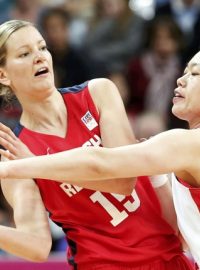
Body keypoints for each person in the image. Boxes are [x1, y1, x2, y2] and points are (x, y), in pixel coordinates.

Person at [0, 19, 194, 270]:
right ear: (3, 74)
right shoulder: (16, 155)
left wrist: (35, 165)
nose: (39, 57)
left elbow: (123, 181)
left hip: (165, 258)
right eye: (24, 54)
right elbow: (37, 246)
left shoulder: (98, 92)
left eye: (42, 47)